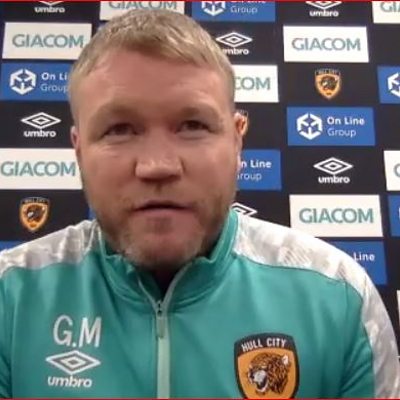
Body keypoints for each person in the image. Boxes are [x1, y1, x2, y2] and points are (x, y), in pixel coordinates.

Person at [0, 9, 399, 399]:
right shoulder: (10, 298)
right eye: (119, 129)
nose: (158, 165)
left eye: (193, 126)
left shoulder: (338, 298)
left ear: (237, 141)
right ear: (79, 150)